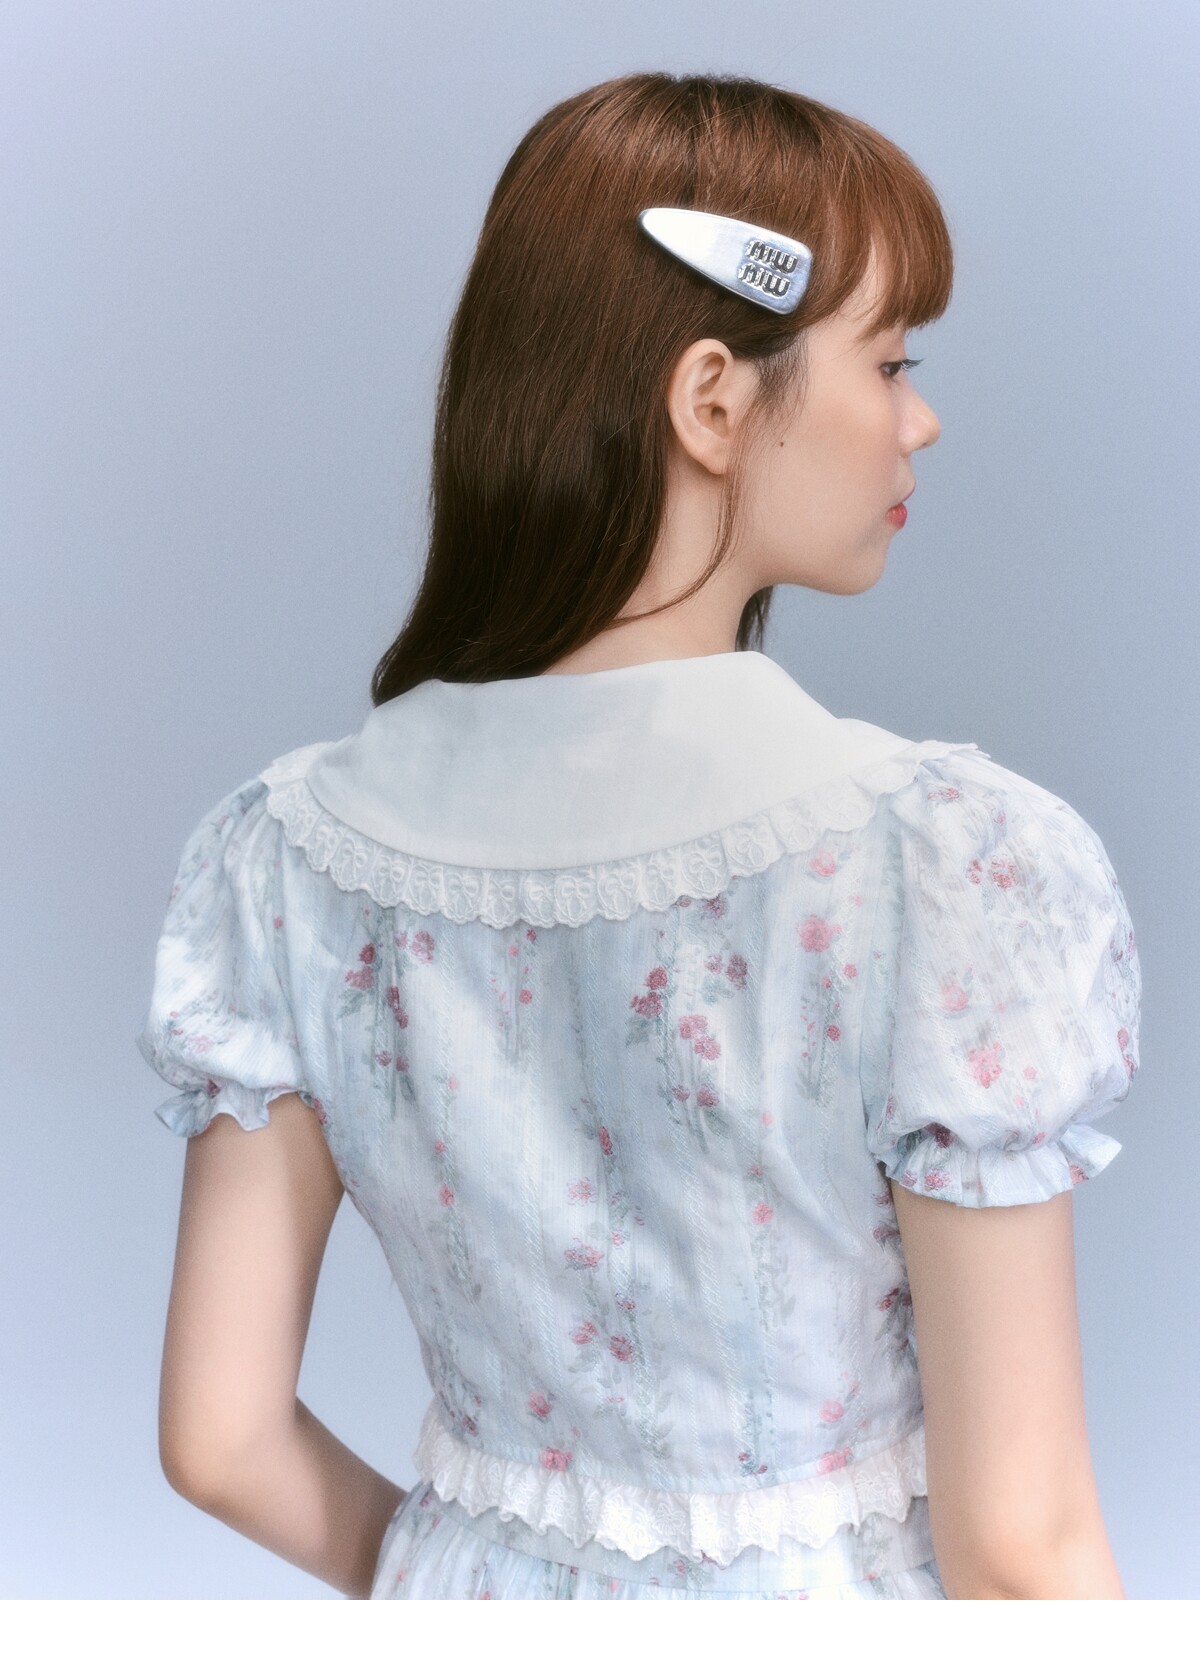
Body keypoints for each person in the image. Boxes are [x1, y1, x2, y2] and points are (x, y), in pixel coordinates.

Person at [135, 71, 1142, 1600]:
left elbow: (219, 1442)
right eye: (889, 359)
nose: (920, 417)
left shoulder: (285, 863)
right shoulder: (937, 867)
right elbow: (1021, 1545)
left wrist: (465, 1575)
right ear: (713, 401)